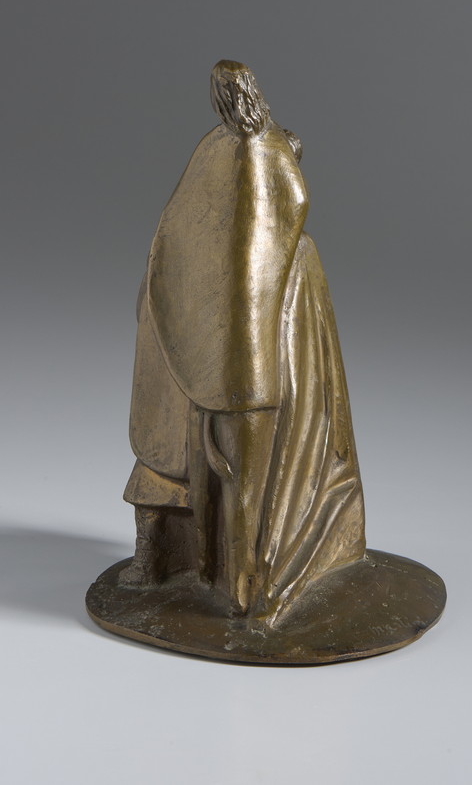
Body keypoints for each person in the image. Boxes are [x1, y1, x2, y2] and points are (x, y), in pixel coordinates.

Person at [123, 60, 366, 624]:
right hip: (228, 356)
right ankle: (228, 583)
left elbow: (183, 237)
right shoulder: (233, 155)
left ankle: (244, 589)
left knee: (243, 480)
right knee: (228, 476)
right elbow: (180, 238)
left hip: (248, 360)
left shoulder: (244, 160)